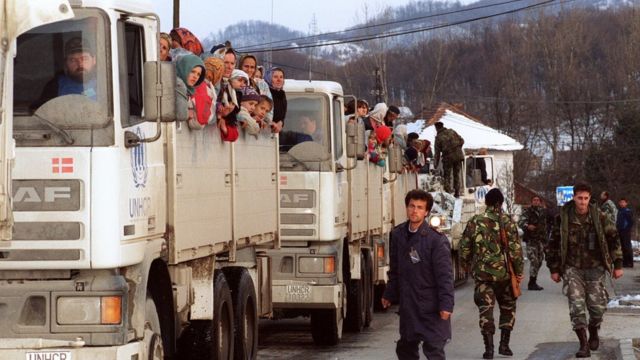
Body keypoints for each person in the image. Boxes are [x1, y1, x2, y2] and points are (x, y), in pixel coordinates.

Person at [547, 182, 623, 358]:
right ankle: (583, 345)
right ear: (573, 198)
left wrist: (618, 264)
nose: (582, 202)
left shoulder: (600, 217)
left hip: (595, 268)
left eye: (585, 198)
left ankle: (594, 330)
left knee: (597, 308)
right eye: (579, 198)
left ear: (590, 198)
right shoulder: (563, 218)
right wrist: (554, 268)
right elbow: (553, 245)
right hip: (572, 269)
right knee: (576, 306)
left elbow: (614, 239)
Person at [382, 189, 454, 360]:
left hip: (431, 306)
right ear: (406, 208)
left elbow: (445, 276)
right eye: (412, 206)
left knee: (434, 350)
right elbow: (395, 269)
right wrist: (389, 293)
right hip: (409, 306)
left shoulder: (435, 240)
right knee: (405, 349)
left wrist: (446, 305)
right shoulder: (398, 234)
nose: (415, 211)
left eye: (420, 207)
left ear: (427, 212)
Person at [460, 188, 523, 359]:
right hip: (504, 276)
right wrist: (518, 273)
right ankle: (504, 345)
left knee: (485, 311)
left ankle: (489, 349)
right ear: (501, 203)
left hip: (482, 276)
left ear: (486, 202)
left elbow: (464, 247)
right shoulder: (508, 222)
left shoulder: (475, 221)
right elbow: (516, 251)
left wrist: (465, 265)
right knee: (508, 308)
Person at [35, 37, 98, 108]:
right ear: (66, 64)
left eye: (84, 58)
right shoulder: (55, 86)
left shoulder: (106, 83)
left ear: (94, 60)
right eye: (73, 60)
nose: (80, 64)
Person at [518, 195, 547, 291]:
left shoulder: (543, 212)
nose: (536, 201)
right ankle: (532, 283)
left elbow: (546, 224)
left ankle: (534, 280)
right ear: (531, 201)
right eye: (534, 200)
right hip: (531, 240)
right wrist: (527, 226)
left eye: (538, 200)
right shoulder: (527, 211)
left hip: (540, 240)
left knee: (540, 260)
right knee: (534, 260)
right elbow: (520, 222)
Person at [433, 122, 464, 197]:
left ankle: (448, 193)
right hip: (458, 156)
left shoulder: (438, 138)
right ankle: (457, 193)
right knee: (456, 174)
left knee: (447, 176)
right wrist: (457, 148)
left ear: (436, 128)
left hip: (448, 158)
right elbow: (462, 140)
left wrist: (435, 165)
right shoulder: (452, 131)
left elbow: (437, 153)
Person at [265, 67, 287, 133]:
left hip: (277, 133)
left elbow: (282, 115)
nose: (279, 80)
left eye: (281, 77)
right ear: (269, 78)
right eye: (275, 77)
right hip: (265, 130)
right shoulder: (265, 92)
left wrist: (281, 122)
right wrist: (270, 122)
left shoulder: (282, 94)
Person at [617, 197, 634, 268]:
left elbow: (631, 222)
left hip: (626, 231)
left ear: (626, 203)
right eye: (621, 202)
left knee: (627, 247)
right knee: (622, 247)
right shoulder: (619, 211)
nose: (622, 203)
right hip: (620, 230)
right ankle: (625, 262)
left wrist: (627, 229)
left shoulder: (627, 211)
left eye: (623, 202)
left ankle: (629, 262)